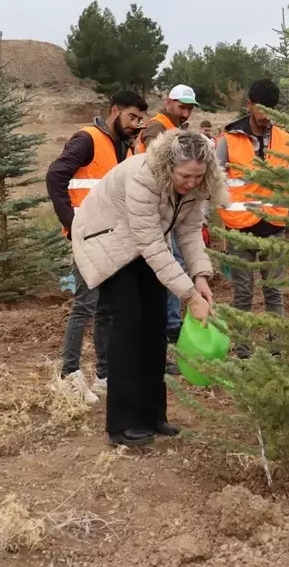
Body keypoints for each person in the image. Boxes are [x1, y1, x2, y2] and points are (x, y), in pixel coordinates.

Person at [71, 129, 226, 446]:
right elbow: (152, 244)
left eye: (198, 176)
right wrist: (189, 296)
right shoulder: (145, 177)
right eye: (185, 176)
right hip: (108, 242)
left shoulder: (197, 185)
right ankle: (122, 424)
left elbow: (190, 230)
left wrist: (200, 277)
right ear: (169, 166)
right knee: (128, 326)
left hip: (143, 243)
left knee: (155, 327)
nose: (191, 183)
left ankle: (154, 416)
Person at [46, 90, 148, 404]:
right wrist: (73, 224)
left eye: (140, 119)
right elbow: (55, 176)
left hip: (114, 241)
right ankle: (69, 373)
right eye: (132, 116)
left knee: (106, 310)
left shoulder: (127, 149)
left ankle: (105, 377)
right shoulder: (87, 139)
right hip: (88, 238)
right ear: (114, 110)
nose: (136, 123)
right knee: (85, 305)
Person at [217, 78, 289, 318]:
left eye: (271, 109)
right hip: (240, 229)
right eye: (261, 108)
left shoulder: (286, 140)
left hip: (274, 226)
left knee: (274, 292)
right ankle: (243, 353)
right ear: (249, 104)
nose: (266, 115)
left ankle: (276, 352)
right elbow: (214, 180)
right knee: (243, 294)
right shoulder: (228, 140)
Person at [137, 84, 201, 361]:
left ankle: (170, 325)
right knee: (170, 262)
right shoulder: (157, 128)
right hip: (154, 206)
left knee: (179, 261)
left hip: (172, 206)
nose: (186, 112)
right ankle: (168, 329)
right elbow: (154, 166)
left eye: (189, 108)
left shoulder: (179, 129)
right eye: (182, 106)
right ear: (169, 102)